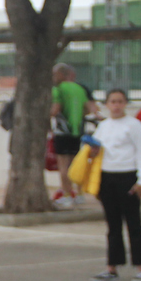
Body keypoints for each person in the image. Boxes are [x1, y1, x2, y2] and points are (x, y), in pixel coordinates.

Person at [89, 88, 141, 281]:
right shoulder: (103, 126)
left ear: (125, 104)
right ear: (106, 105)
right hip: (107, 177)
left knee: (133, 223)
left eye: (120, 101)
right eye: (113, 102)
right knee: (113, 224)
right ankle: (112, 267)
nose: (116, 105)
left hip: (128, 177)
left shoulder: (134, 125)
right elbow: (96, 152)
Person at [50, 63, 99, 206]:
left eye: (54, 74)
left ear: (61, 74)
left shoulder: (58, 89)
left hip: (63, 132)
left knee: (63, 166)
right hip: (78, 132)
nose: (53, 77)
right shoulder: (80, 89)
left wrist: (47, 115)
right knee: (77, 164)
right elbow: (89, 109)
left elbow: (55, 109)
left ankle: (67, 196)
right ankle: (80, 194)